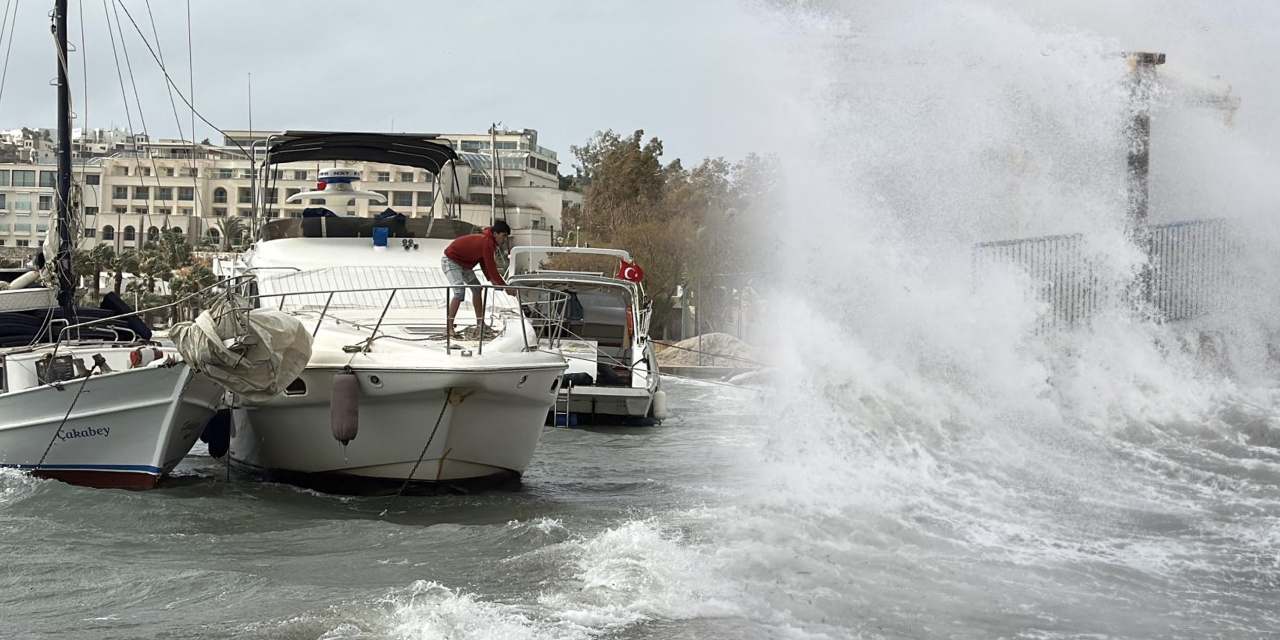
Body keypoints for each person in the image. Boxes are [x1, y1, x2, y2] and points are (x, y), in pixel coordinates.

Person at [442, 220, 511, 339]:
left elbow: (484, 263)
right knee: (459, 292)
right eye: (504, 235)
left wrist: (493, 280)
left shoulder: (488, 242)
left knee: (477, 289)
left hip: (464, 264)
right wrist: (505, 286)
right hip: (451, 261)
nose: (505, 239)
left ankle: (480, 324)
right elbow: (491, 266)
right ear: (495, 234)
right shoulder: (487, 242)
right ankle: (448, 328)